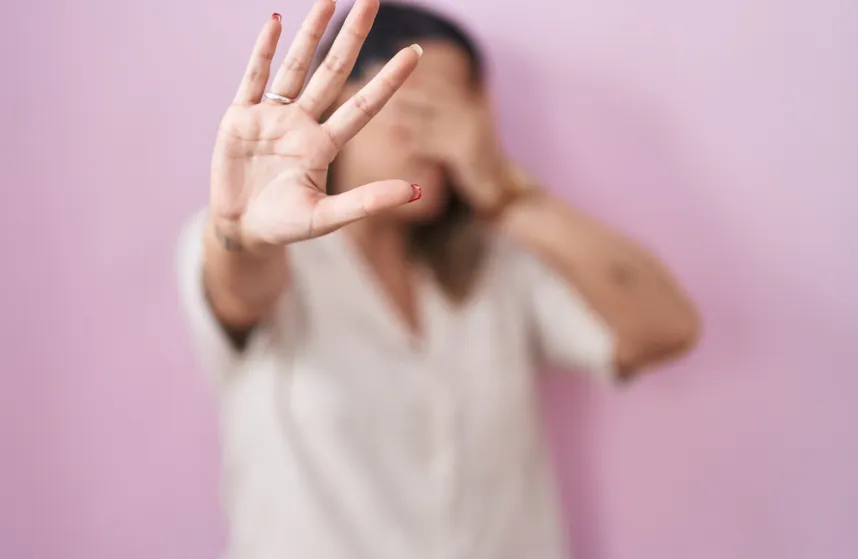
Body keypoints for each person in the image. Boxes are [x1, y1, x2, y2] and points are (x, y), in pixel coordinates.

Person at [177, 1, 701, 557]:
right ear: (341, 103)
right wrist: (240, 233)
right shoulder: (270, 252)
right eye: (423, 105)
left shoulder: (497, 264)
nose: (446, 138)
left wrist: (502, 190)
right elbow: (239, 287)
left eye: (463, 111)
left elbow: (667, 327)